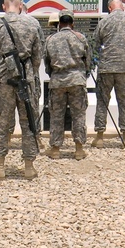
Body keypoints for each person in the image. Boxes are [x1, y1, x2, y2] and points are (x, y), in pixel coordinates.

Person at [0, 0, 43, 180]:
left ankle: (0, 167)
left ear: (3, 6)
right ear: (20, 5)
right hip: (26, 79)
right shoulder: (32, 24)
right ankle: (29, 167)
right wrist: (29, 73)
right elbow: (37, 55)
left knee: (2, 122)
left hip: (4, 80)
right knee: (28, 122)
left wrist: (2, 70)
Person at [92, 0, 125, 147]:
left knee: (102, 102)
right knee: (124, 102)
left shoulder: (104, 22)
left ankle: (99, 136)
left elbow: (95, 45)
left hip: (106, 68)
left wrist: (97, 62)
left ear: (110, 8)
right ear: (123, 7)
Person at [44, 9, 90, 160]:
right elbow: (87, 61)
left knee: (57, 115)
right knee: (79, 115)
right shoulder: (80, 38)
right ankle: (78, 149)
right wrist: (83, 75)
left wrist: (54, 74)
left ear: (59, 23)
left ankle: (56, 149)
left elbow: (47, 63)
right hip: (77, 81)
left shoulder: (51, 39)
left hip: (57, 81)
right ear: (72, 22)